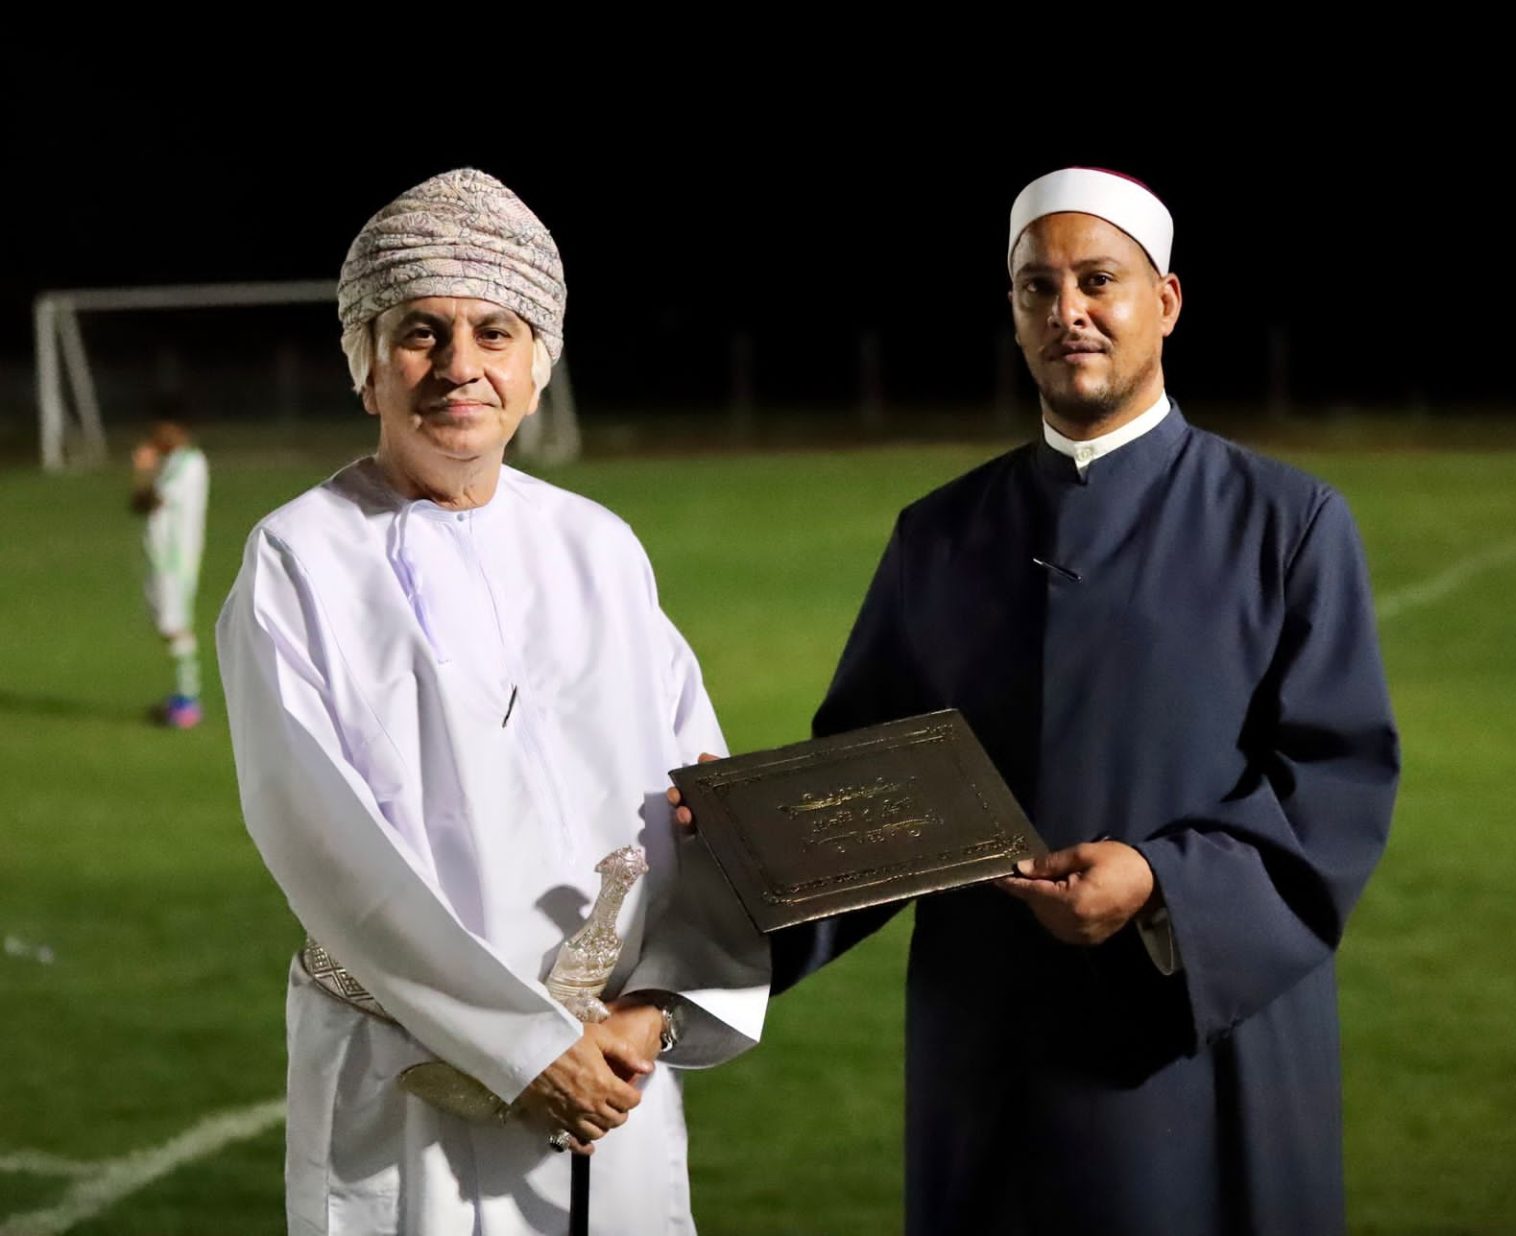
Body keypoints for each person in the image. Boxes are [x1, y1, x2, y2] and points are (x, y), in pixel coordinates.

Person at [705, 167, 1400, 1235]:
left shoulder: (1288, 522)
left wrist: (1161, 882)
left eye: (1098, 281)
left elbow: (1335, 787)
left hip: (1194, 1042)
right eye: (1039, 287)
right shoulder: (939, 535)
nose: (1068, 310)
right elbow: (871, 789)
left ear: (1166, 301)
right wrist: (747, 830)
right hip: (987, 1053)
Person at [216, 168, 767, 1235]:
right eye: (421, 332)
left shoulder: (600, 548)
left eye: (495, 332)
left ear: (536, 365)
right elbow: (324, 845)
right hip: (409, 1080)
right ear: (365, 362)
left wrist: (655, 1013)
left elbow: (708, 803)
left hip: (616, 1078)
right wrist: (527, 1048)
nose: (459, 366)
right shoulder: (299, 559)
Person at [131, 419, 208, 728]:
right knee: (167, 625)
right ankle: (182, 697)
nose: (156, 436)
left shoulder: (189, 463)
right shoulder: (171, 462)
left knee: (174, 626)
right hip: (160, 558)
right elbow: (138, 504)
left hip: (175, 560)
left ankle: (188, 703)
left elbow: (155, 499)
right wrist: (143, 473)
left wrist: (144, 469)